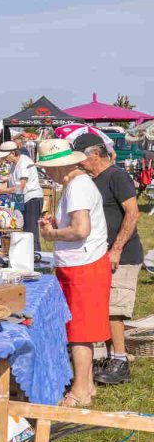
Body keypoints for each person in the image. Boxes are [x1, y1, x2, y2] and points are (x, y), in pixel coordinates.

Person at [36, 139, 110, 407]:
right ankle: (87, 385)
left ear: (58, 166)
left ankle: (79, 390)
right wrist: (56, 224)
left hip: (83, 266)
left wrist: (51, 233)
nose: (46, 173)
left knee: (79, 330)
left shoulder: (78, 187)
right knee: (81, 328)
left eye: (47, 168)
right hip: (78, 264)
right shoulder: (75, 185)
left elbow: (80, 230)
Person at [74, 134, 144, 385]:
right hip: (103, 255)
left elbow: (133, 213)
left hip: (123, 255)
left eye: (81, 157)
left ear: (94, 154)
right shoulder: (93, 180)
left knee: (115, 311)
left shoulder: (117, 176)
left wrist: (116, 249)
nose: (78, 162)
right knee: (104, 308)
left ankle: (120, 361)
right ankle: (113, 356)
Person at [0, 141, 44, 250]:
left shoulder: (23, 163)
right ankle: (25, 254)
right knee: (20, 228)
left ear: (13, 153)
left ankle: (36, 255)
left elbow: (20, 187)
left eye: (5, 156)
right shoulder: (15, 164)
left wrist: (0, 192)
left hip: (32, 199)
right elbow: (10, 183)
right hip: (21, 198)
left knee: (30, 232)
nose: (4, 159)